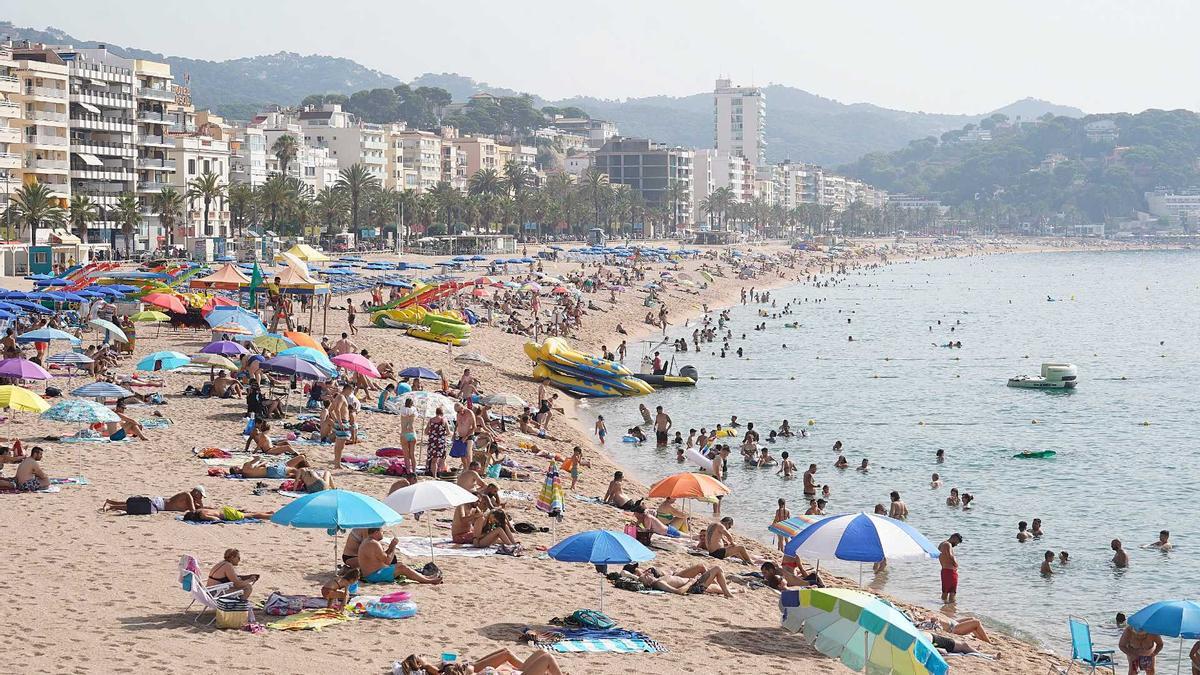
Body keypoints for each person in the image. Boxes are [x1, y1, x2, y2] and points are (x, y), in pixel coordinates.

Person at [357, 528, 443, 584]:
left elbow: (382, 557)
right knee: (402, 568)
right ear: (376, 532)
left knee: (400, 565)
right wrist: (393, 546)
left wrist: (391, 546)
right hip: (374, 576)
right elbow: (387, 561)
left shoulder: (369, 541)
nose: (383, 533)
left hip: (372, 573)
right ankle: (428, 581)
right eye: (382, 531)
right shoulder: (373, 543)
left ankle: (425, 577)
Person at [399, 650, 563, 675]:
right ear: (420, 665)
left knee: (543, 653)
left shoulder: (436, 669)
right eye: (421, 657)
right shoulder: (435, 670)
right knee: (547, 657)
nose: (423, 655)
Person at [638, 564, 733, 598]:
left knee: (715, 587)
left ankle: (731, 590)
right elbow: (678, 592)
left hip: (693, 583)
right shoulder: (659, 583)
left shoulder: (658, 580)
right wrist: (690, 582)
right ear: (649, 583)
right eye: (646, 577)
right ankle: (728, 593)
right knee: (717, 569)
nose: (647, 574)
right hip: (694, 587)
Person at [102, 486, 207, 514]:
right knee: (136, 508)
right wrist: (200, 504)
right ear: (196, 493)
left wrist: (200, 504)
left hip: (159, 504)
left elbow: (199, 509)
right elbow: (194, 511)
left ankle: (111, 501)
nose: (201, 498)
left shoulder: (190, 499)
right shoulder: (187, 495)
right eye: (201, 496)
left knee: (135, 503)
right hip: (159, 504)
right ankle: (111, 506)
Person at [229, 455, 309, 479]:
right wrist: (256, 458)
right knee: (294, 469)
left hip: (272, 475)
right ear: (236, 470)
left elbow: (257, 470)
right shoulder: (246, 466)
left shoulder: (245, 475)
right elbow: (258, 458)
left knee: (292, 474)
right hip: (272, 470)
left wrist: (260, 464)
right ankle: (307, 474)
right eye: (235, 467)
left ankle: (305, 475)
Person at [425, 407, 450, 476]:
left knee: (433, 460)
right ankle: (440, 474)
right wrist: (442, 434)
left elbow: (426, 432)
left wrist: (433, 433)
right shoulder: (444, 420)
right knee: (442, 459)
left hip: (432, 442)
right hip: (441, 442)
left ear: (436, 412)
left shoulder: (431, 420)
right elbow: (448, 432)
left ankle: (434, 475)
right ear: (442, 413)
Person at [939, 533, 962, 604]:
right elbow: (950, 555)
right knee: (952, 591)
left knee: (945, 591)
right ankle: (952, 607)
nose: (956, 544)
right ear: (954, 538)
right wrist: (955, 564)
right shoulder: (947, 544)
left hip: (945, 570)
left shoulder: (942, 544)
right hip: (950, 571)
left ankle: (944, 606)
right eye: (957, 542)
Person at [183, 506, 275, 522]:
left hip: (227, 515)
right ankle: (267, 513)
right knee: (250, 513)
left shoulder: (202, 515)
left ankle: (270, 516)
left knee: (252, 516)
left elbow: (216, 519)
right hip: (225, 509)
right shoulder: (200, 510)